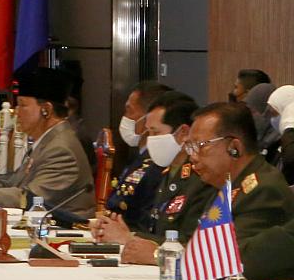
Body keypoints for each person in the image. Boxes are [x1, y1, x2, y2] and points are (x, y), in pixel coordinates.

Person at [0, 65, 96, 217]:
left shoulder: (61, 150)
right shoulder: (47, 141)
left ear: (46, 110)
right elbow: (12, 181)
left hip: (62, 228)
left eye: (22, 105)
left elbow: (28, 198)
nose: (17, 112)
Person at [158, 102, 294, 257]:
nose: (192, 157)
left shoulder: (264, 190)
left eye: (200, 145)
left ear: (234, 147)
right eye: (191, 147)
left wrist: (159, 254)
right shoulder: (225, 184)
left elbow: (231, 257)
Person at [91, 93, 205, 261]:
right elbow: (152, 227)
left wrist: (129, 237)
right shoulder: (167, 172)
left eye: (155, 132)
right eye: (148, 132)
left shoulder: (200, 178)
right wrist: (115, 230)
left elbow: (190, 242)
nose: (150, 140)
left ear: (183, 133)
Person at [100, 82, 175, 229]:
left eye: (130, 111)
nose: (125, 117)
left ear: (148, 117)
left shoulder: (160, 159)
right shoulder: (140, 156)